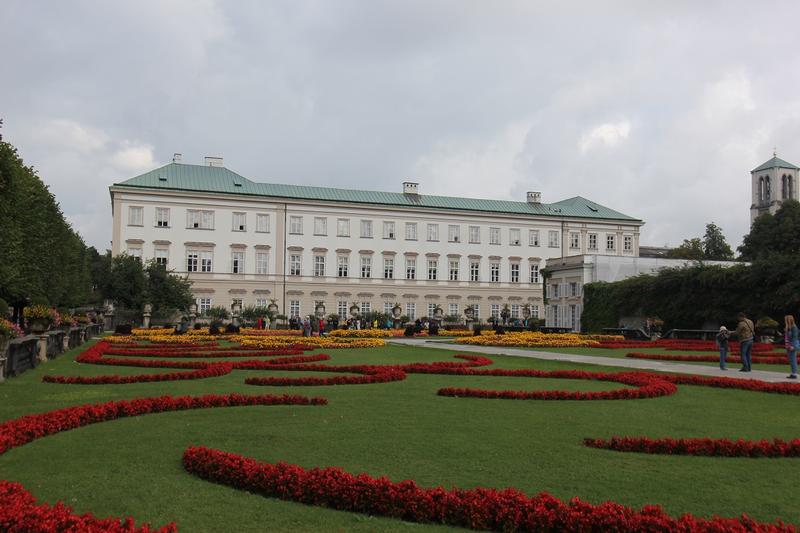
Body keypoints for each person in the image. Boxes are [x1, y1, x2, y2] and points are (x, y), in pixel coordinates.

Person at [784, 315, 798, 379]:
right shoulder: (789, 327)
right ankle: (793, 373)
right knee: (791, 360)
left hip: (792, 346)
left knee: (793, 360)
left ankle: (794, 374)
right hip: (789, 345)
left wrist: (793, 346)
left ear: (789, 320)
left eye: (786, 320)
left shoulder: (794, 327)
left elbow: (794, 337)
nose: (785, 322)